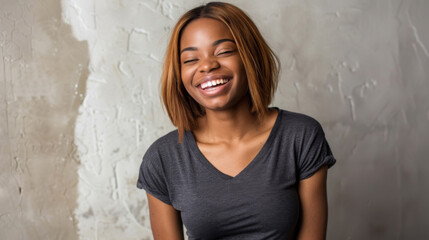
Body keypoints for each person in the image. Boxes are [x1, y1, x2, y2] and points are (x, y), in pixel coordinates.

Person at [137, 2, 336, 239]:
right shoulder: (163, 159)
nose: (207, 65)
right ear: (179, 75)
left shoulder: (300, 136)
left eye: (223, 52)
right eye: (190, 59)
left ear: (249, 56)